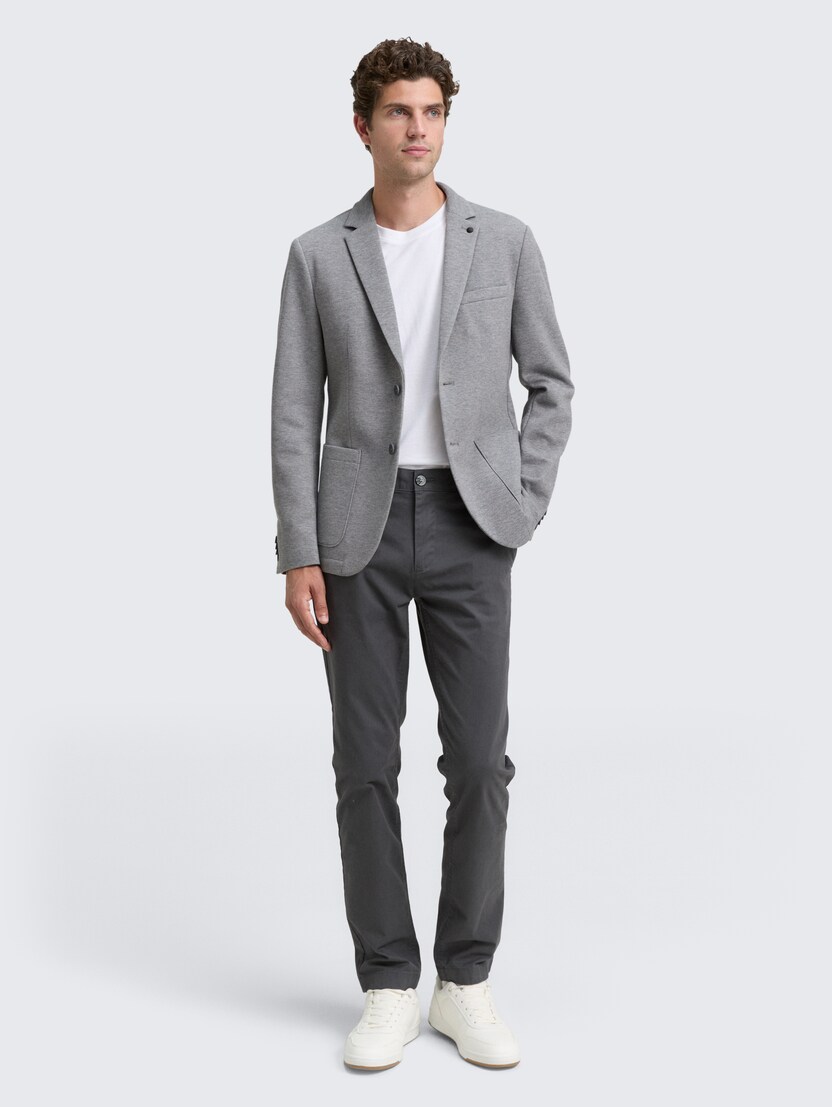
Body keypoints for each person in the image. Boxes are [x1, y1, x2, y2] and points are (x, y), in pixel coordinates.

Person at [270, 37, 574, 1071]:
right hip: (354, 531)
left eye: (432, 111)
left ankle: (465, 980)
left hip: (469, 525)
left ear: (447, 120)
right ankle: (389, 983)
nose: (417, 128)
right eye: (398, 111)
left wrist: (522, 498)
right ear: (362, 125)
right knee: (365, 763)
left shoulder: (505, 241)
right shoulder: (318, 254)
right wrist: (298, 551)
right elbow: (292, 412)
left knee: (480, 760)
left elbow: (551, 382)